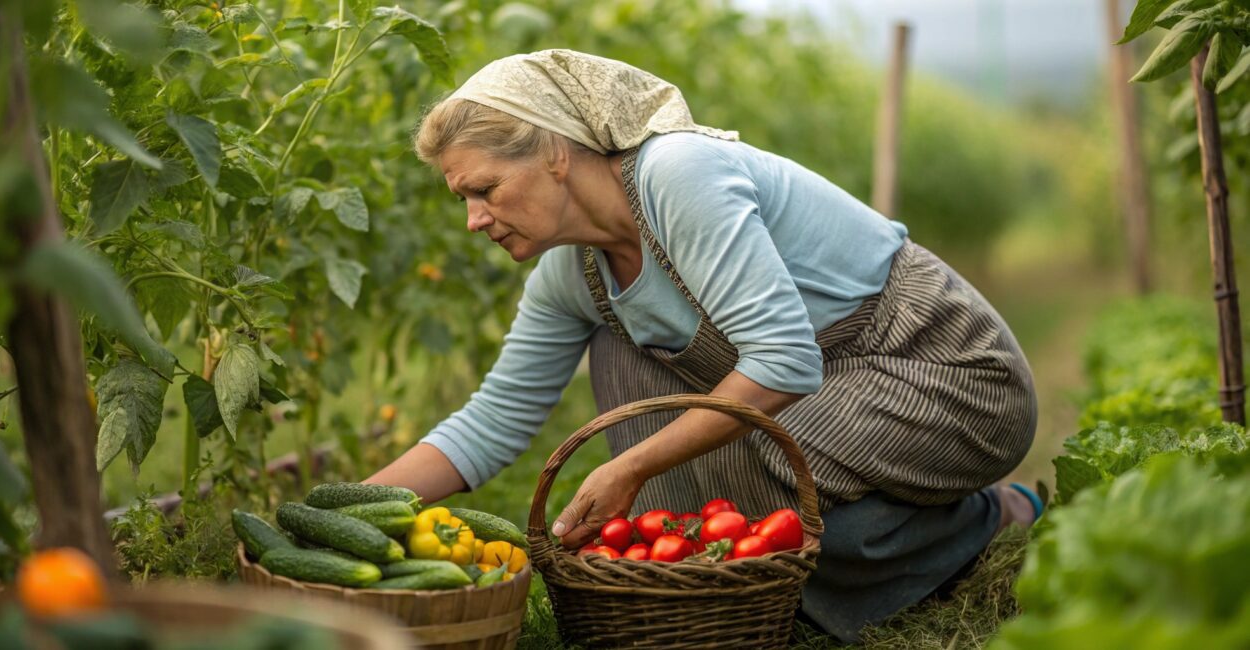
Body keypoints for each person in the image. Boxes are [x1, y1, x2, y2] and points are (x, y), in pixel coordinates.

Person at [365, 49, 1039, 641]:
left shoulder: (676, 174)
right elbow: (490, 424)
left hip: (942, 368)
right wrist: (340, 510)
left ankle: (992, 516)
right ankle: (874, 546)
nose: (473, 220)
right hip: (830, 396)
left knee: (778, 484)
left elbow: (783, 359)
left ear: (556, 153)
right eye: (463, 199)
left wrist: (626, 469)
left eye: (484, 189)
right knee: (636, 366)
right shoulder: (570, 275)